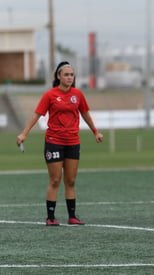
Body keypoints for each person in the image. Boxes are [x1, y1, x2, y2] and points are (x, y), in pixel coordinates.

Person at [16, 61, 104, 226]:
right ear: (58, 76)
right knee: (55, 179)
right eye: (66, 75)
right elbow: (36, 115)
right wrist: (24, 133)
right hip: (54, 142)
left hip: (73, 142)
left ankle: (72, 216)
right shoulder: (49, 95)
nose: (70, 77)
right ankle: (51, 217)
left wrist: (95, 132)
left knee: (70, 181)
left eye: (72, 75)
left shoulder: (77, 94)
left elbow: (85, 114)